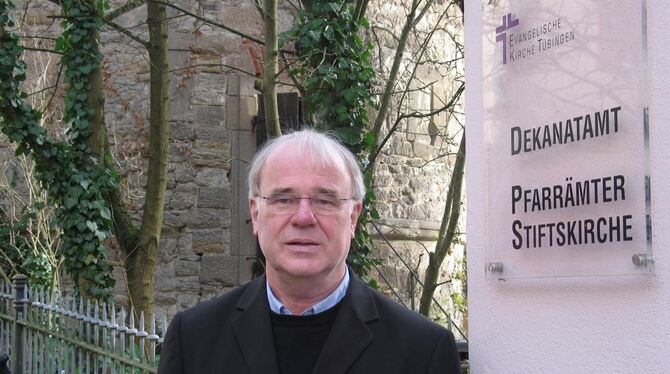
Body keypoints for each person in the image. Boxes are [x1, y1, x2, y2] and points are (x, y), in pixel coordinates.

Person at [158, 129, 461, 374]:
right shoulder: (194, 339)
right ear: (255, 213)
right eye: (283, 199)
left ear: (353, 217)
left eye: (325, 201)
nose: (303, 217)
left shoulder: (422, 351)